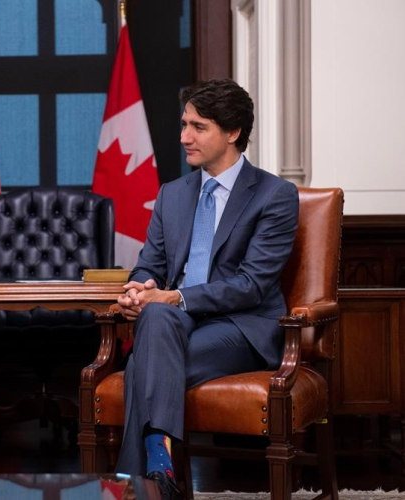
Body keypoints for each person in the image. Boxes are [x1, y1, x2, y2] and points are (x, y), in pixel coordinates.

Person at [115, 79, 299, 499]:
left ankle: (136, 483)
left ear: (232, 133)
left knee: (142, 369)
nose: (184, 137)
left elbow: (252, 285)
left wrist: (175, 297)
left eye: (198, 126)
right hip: (173, 323)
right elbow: (151, 265)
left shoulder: (274, 195)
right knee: (157, 316)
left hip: (242, 325)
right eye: (184, 124)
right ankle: (159, 473)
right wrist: (138, 288)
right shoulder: (172, 195)